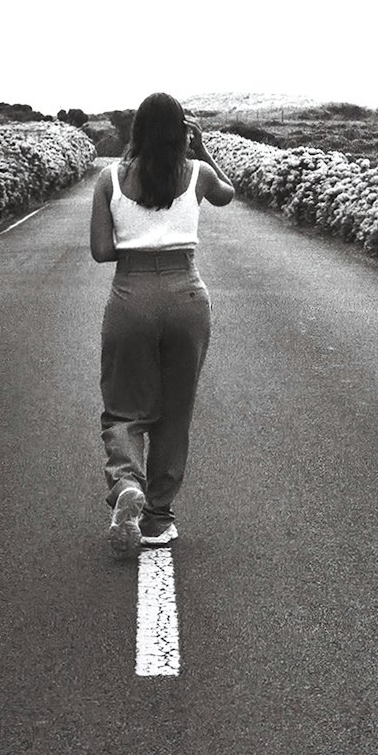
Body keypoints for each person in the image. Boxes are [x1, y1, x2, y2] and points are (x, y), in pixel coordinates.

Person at [90, 92, 235, 553]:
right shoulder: (198, 174)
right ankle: (157, 518)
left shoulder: (110, 179)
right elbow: (228, 195)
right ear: (182, 133)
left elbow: (101, 251)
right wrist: (203, 148)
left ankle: (127, 483)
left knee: (124, 409)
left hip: (131, 296)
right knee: (175, 412)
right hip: (186, 296)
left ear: (136, 131)